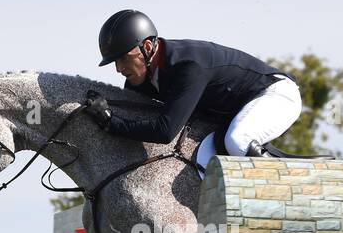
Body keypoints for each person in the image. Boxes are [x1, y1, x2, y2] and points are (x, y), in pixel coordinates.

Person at [86, 10, 303, 179]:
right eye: (115, 61)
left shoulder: (188, 66)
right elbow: (138, 124)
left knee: (237, 140)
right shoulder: (141, 79)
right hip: (233, 111)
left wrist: (109, 122)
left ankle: (290, 191)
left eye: (123, 58)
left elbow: (164, 131)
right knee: (208, 155)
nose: (118, 68)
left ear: (148, 47)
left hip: (275, 94)